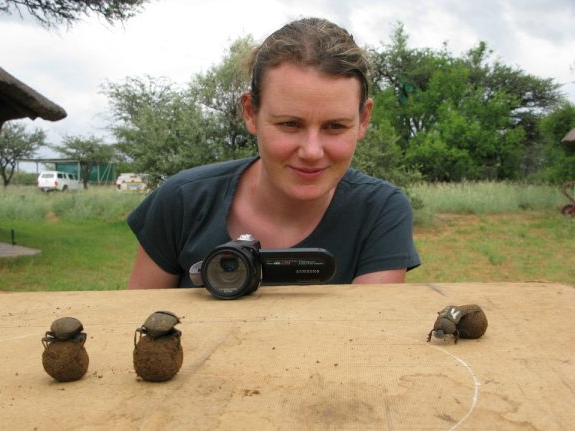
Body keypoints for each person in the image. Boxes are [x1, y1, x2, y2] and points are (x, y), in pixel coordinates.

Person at [127, 17, 420, 289]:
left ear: (364, 119)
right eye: (290, 124)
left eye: (335, 126)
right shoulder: (182, 202)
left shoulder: (381, 212)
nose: (312, 151)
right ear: (250, 112)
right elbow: (138, 325)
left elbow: (367, 333)